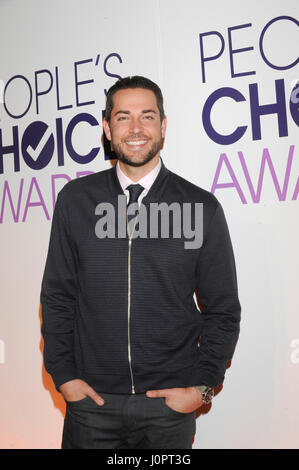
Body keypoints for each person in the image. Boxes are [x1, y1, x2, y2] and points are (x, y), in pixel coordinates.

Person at [40, 75, 241, 449]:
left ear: (163, 126)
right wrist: (64, 376)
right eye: (123, 117)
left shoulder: (200, 207)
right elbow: (57, 296)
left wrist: (202, 387)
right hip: (91, 407)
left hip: (167, 410)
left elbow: (223, 309)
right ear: (107, 128)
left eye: (147, 116)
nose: (135, 129)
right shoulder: (75, 201)